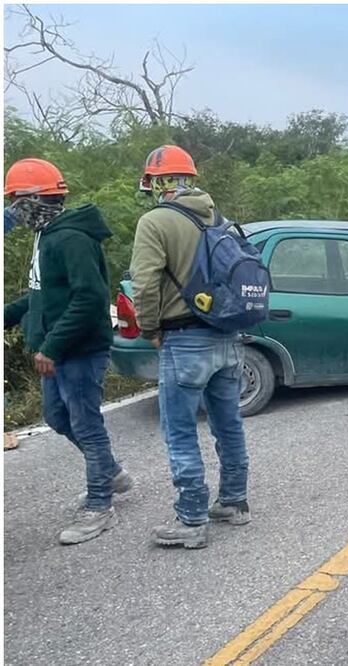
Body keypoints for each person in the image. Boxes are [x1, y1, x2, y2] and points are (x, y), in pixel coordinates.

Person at [2, 158, 130, 545]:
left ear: (36, 200)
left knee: (87, 426)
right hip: (57, 350)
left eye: (15, 202)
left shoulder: (71, 238)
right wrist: (8, 316)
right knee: (57, 418)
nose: (13, 212)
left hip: (79, 350)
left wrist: (53, 346)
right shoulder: (48, 235)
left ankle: (99, 507)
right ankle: (110, 472)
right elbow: (44, 294)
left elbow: (90, 299)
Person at [129, 145, 250, 549]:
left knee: (180, 431)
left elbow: (144, 283)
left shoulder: (155, 221)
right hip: (227, 335)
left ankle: (192, 519)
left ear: (157, 182)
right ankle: (234, 502)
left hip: (184, 339)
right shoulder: (222, 219)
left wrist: (150, 329)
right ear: (191, 179)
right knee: (228, 423)